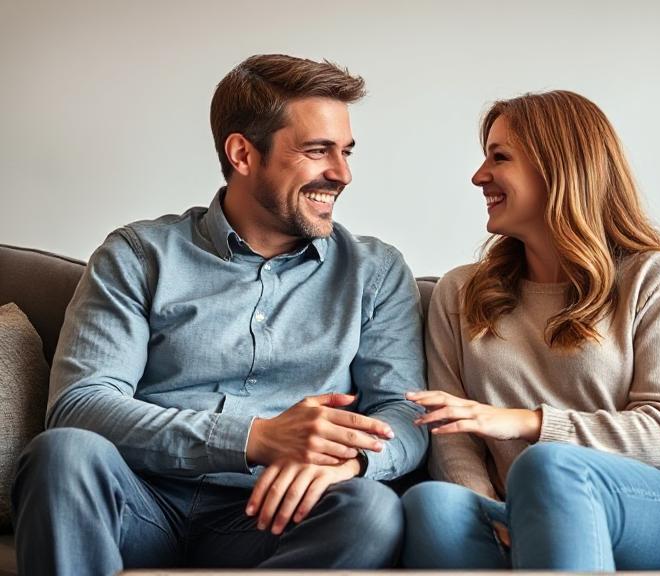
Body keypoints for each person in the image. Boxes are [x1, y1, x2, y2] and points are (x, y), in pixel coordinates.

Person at [11, 54, 427, 575]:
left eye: (345, 151)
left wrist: (356, 459)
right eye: (317, 150)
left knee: (370, 511)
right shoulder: (138, 255)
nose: (341, 173)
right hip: (139, 501)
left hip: (276, 516)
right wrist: (254, 438)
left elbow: (403, 411)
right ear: (242, 154)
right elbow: (81, 405)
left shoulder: (375, 272)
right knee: (63, 454)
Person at [401, 90, 660, 571]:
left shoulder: (652, 278)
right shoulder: (459, 293)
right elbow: (452, 439)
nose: (479, 176)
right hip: (528, 505)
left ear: (557, 169)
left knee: (548, 466)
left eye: (500, 157)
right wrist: (494, 512)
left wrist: (526, 423)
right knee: (432, 505)